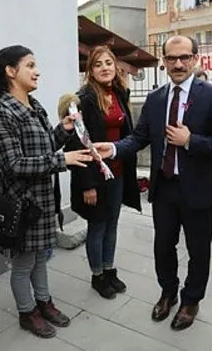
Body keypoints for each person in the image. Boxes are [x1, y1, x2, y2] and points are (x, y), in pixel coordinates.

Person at [95, 35, 212, 331]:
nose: (178, 63)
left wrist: (191, 141)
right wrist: (114, 149)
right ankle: (168, 292)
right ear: (163, 62)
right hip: (165, 188)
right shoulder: (156, 98)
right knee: (163, 247)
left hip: (198, 189)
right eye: (171, 58)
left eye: (184, 57)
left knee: (199, 250)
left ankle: (191, 300)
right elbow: (139, 138)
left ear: (195, 59)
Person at [0, 45, 92, 339]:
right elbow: (14, 164)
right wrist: (62, 160)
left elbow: (43, 147)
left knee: (40, 257)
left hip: (42, 199)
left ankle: (44, 302)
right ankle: (27, 311)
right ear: (10, 71)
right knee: (23, 263)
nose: (37, 71)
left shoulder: (34, 104)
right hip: (23, 204)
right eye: (30, 65)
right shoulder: (2, 112)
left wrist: (64, 129)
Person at [65, 46, 141, 299]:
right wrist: (87, 184)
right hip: (95, 177)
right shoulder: (82, 99)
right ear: (90, 70)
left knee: (112, 224)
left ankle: (109, 269)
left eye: (109, 62)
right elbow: (75, 144)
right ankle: (97, 275)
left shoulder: (119, 93)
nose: (105, 67)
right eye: (98, 64)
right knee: (97, 226)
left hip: (117, 173)